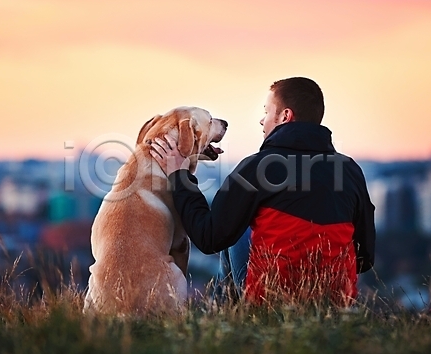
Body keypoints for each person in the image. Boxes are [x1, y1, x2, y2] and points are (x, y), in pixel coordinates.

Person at [150, 77, 375, 306]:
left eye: (267, 111)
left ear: (285, 116)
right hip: (336, 302)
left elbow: (208, 238)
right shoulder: (349, 170)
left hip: (271, 300)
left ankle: (226, 317)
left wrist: (179, 176)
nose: (262, 120)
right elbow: (365, 257)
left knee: (234, 227)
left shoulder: (258, 167)